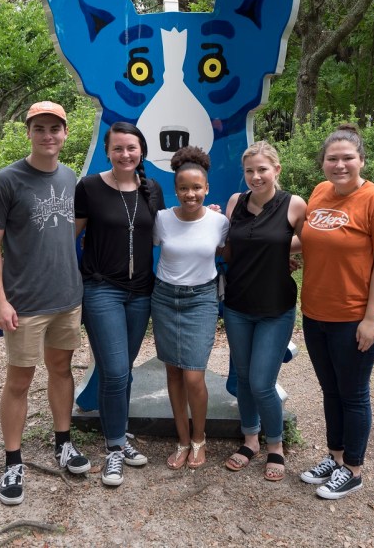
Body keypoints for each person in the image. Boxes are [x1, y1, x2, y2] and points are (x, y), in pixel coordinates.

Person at [0, 101, 90, 506]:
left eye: (55, 129)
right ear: (28, 132)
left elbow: (72, 229)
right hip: (24, 302)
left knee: (61, 370)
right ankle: (13, 461)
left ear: (64, 133)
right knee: (20, 380)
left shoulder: (70, 177)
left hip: (66, 297)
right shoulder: (6, 180)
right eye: (40, 128)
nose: (48, 136)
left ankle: (63, 442)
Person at [298, 123, 374, 499]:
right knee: (330, 390)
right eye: (332, 159)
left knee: (353, 393)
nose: (339, 165)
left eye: (347, 158)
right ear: (323, 163)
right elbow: (312, 242)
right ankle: (335, 456)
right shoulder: (320, 192)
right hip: (314, 313)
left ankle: (353, 469)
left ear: (361, 160)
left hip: (353, 317)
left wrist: (371, 319)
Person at [75, 122, 164, 487]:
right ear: (108, 152)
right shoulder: (90, 187)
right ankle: (113, 449)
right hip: (101, 290)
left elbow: (166, 232)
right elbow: (69, 235)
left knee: (123, 371)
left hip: (141, 293)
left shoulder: (151, 189)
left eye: (132, 148)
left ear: (141, 150)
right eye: (118, 149)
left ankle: (120, 434)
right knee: (113, 370)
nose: (125, 154)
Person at [221, 141, 306, 481]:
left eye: (262, 170)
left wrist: (283, 248)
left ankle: (275, 446)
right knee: (243, 378)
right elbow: (228, 247)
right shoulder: (235, 203)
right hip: (237, 306)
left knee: (261, 381)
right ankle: (250, 439)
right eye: (249, 171)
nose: (255, 177)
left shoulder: (294, 204)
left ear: (276, 170)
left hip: (276, 308)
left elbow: (315, 242)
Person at [151, 146, 229, 470]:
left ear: (207, 188)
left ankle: (200, 438)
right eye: (184, 188)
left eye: (197, 187)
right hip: (165, 298)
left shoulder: (219, 221)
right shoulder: (162, 219)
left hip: (201, 300)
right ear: (176, 189)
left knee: (194, 376)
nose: (190, 194)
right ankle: (182, 440)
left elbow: (236, 253)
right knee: (172, 371)